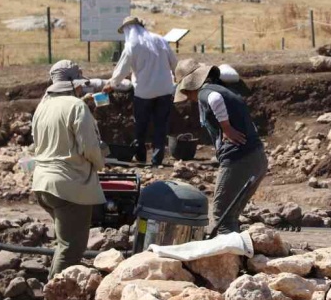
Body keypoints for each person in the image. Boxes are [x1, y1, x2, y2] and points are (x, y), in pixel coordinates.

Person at [174, 59, 267, 235]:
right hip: (256, 157)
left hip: (239, 159)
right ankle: (239, 257)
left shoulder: (205, 92)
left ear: (189, 86)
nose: (189, 98)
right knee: (230, 215)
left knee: (221, 214)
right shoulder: (223, 89)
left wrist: (226, 128)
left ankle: (228, 257)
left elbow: (215, 100)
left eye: (186, 93)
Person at [32, 72, 106, 279]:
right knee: (72, 246)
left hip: (42, 183)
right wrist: (100, 161)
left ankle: (54, 287)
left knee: (64, 242)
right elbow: (89, 147)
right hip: (69, 186)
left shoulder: (43, 106)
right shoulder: (76, 106)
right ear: (73, 85)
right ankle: (55, 296)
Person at [103, 17, 177, 166]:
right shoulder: (160, 40)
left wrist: (111, 84)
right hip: (165, 89)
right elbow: (174, 62)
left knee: (141, 125)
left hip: (144, 92)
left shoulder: (132, 45)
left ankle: (141, 157)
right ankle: (157, 159)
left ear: (127, 30)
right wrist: (177, 78)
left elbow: (122, 69)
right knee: (160, 125)